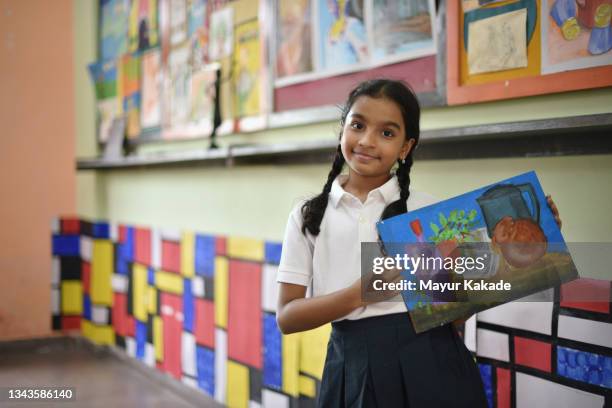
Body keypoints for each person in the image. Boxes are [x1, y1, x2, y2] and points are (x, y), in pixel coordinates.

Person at [275, 79, 562, 407]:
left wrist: (539, 239)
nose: (367, 141)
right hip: (356, 366)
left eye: (387, 133)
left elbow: (454, 316)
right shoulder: (308, 215)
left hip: (435, 359)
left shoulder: (429, 212)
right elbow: (287, 317)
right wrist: (361, 293)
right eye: (358, 125)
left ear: (405, 148)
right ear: (342, 129)